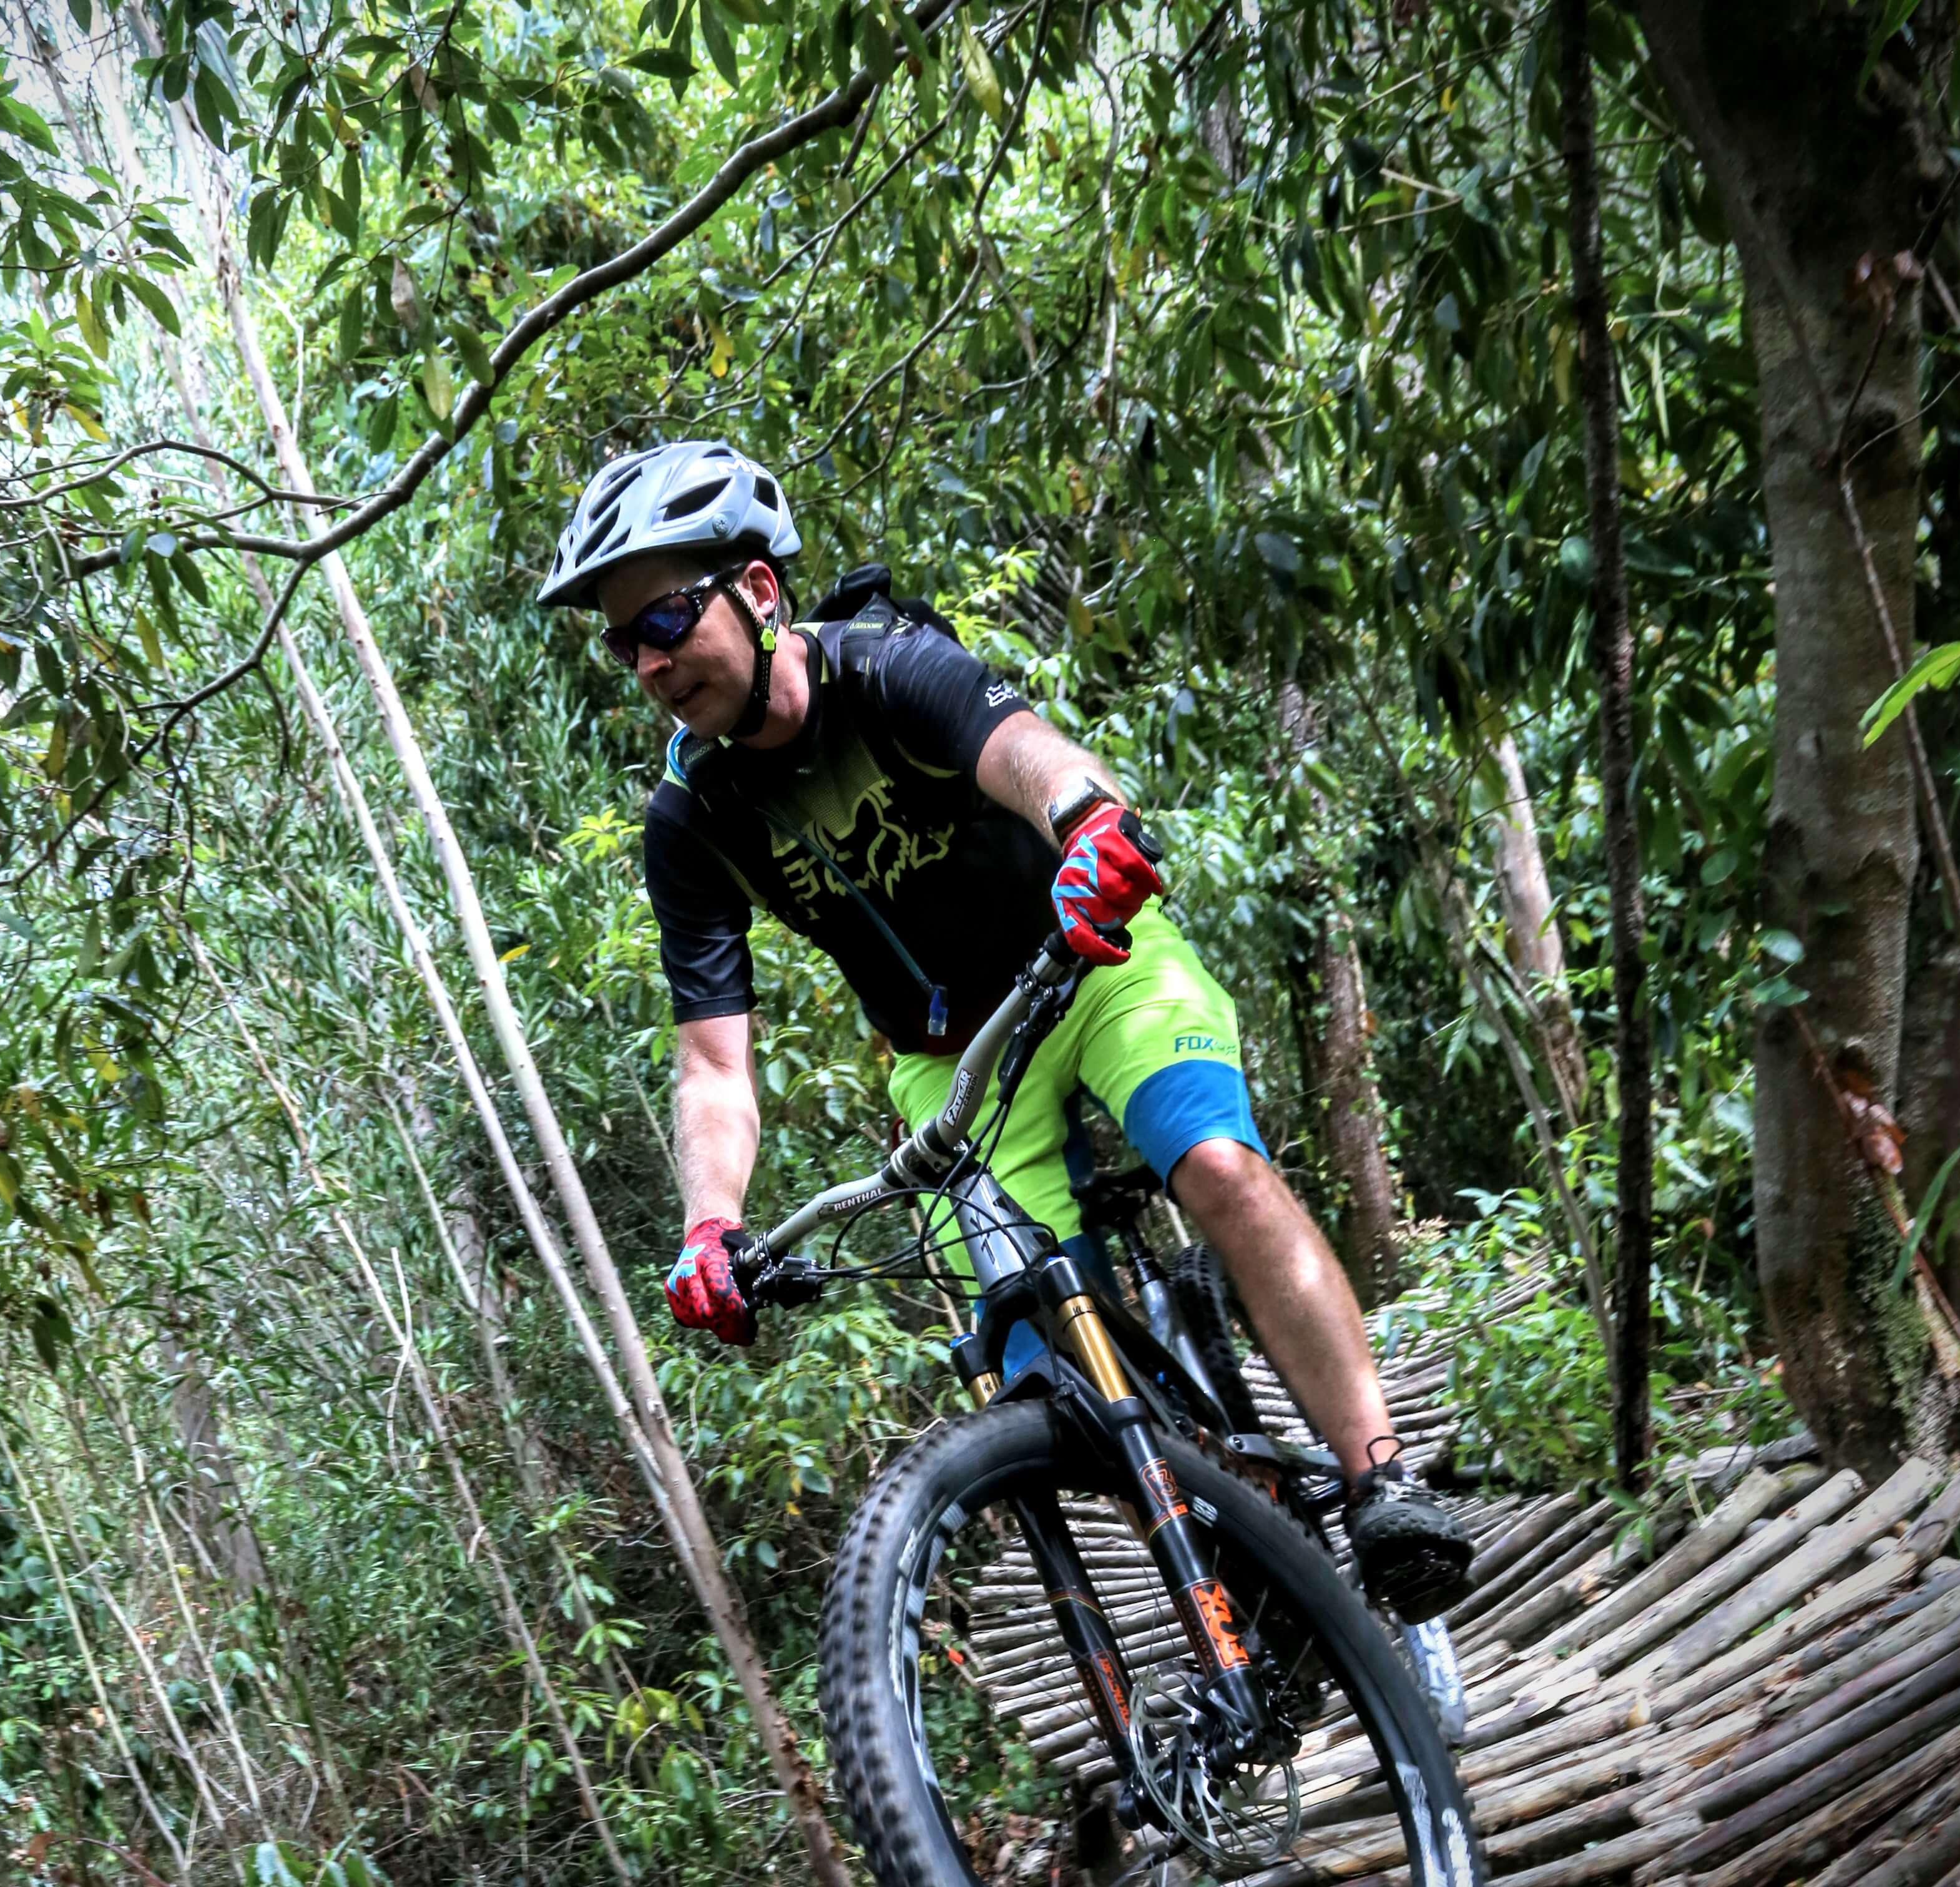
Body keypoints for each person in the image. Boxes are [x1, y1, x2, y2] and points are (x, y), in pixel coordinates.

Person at [537, 438, 1471, 1620]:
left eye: (667, 617)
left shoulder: (885, 668)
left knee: (1221, 1169)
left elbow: (1026, 754)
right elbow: (717, 1061)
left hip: (1090, 957)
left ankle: (1377, 1482)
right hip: (952, 1066)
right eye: (625, 641)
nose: (651, 660)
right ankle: (1236, 1562)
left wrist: (1087, 824)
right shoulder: (695, 822)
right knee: (1043, 1367)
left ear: (757, 590)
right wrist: (707, 1229)